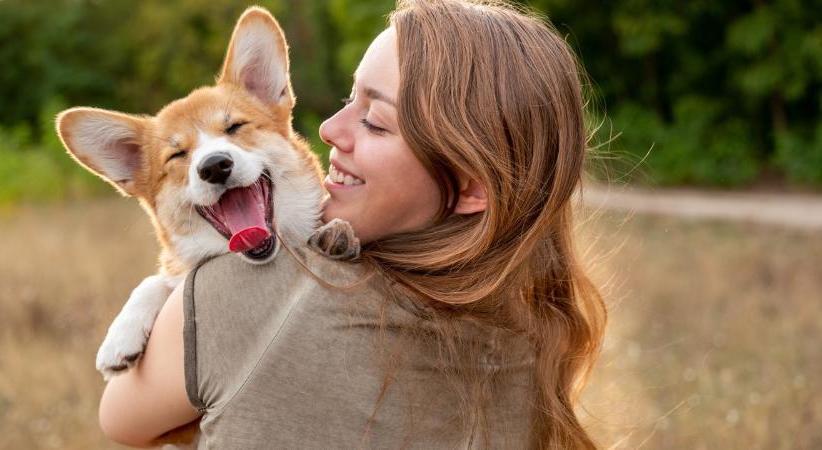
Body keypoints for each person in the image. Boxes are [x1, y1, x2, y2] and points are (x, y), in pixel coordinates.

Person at [98, 0, 606, 448]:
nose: (326, 130)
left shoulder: (242, 296)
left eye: (375, 120)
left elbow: (119, 420)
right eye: (349, 100)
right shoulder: (534, 337)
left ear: (472, 186)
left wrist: (168, 297)